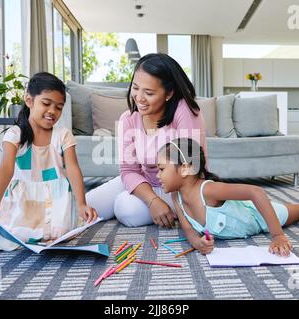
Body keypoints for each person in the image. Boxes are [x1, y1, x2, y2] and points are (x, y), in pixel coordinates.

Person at [157, 137, 299, 257]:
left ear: (185, 168)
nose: (157, 176)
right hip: (244, 218)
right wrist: (198, 243)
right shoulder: (177, 197)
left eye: (161, 169)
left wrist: (278, 235)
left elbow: (256, 192)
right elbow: (189, 230)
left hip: (258, 215)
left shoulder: (209, 190)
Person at [0, 72, 98, 251]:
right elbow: (6, 167)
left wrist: (81, 203)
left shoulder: (63, 134)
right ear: (29, 100)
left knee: (61, 231)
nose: (52, 112)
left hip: (56, 196)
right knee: (18, 232)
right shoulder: (15, 134)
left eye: (59, 107)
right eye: (46, 104)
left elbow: (72, 168)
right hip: (25, 195)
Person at [86, 53, 208, 228]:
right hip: (146, 180)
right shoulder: (128, 119)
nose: (139, 98)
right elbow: (128, 170)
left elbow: (190, 169)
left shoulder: (186, 112)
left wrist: (160, 199)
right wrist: (152, 200)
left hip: (181, 186)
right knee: (86, 205)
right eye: (136, 88)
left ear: (169, 93)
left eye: (149, 93)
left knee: (125, 208)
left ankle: (177, 210)